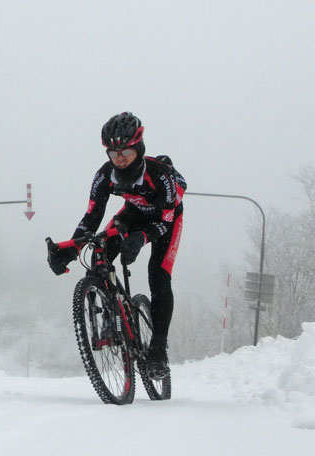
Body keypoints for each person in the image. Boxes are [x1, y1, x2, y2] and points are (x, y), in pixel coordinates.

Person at [48, 112, 186, 379]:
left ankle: (158, 350)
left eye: (126, 151)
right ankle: (111, 317)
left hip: (166, 219)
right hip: (133, 212)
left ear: (139, 148)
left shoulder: (161, 176)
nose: (119, 158)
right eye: (113, 153)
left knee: (158, 275)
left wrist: (143, 237)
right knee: (99, 251)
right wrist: (69, 250)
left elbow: (165, 220)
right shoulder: (104, 175)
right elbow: (92, 217)